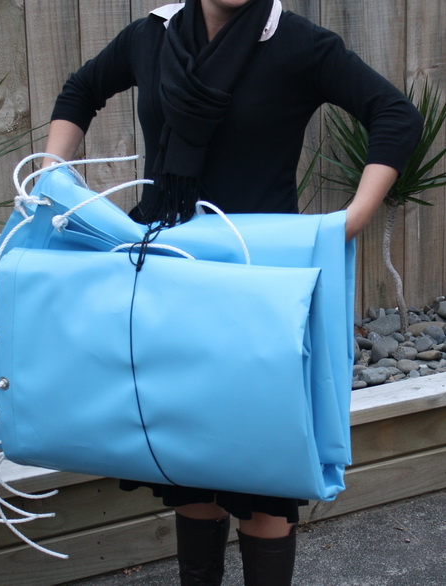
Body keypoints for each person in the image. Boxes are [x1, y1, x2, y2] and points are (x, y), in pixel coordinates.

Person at [43, 1, 423, 583]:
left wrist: (352, 219)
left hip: (255, 282)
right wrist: (51, 180)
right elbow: (80, 91)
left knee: (262, 475)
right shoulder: (152, 36)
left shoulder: (299, 44)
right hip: (169, 275)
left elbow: (395, 114)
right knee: (190, 465)